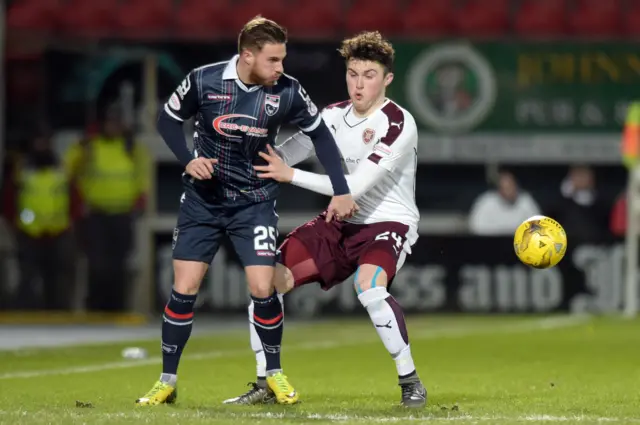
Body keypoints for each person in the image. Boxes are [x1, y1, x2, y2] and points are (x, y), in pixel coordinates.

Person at [136, 16, 356, 406]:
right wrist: (188, 159)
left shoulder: (287, 91)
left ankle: (273, 375)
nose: (281, 68)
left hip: (253, 202)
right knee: (184, 289)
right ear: (247, 56)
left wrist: (341, 190)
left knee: (262, 286)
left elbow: (320, 134)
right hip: (203, 202)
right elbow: (168, 121)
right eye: (273, 60)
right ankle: (167, 381)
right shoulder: (204, 80)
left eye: (282, 59)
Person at [223, 31, 427, 408]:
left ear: (387, 79)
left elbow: (354, 186)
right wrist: (243, 159)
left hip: (387, 223)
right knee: (264, 283)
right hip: (338, 222)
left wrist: (290, 175)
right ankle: (266, 380)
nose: (359, 83)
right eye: (352, 73)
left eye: (369, 75)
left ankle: (409, 380)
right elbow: (286, 154)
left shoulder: (398, 123)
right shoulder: (331, 116)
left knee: (369, 289)